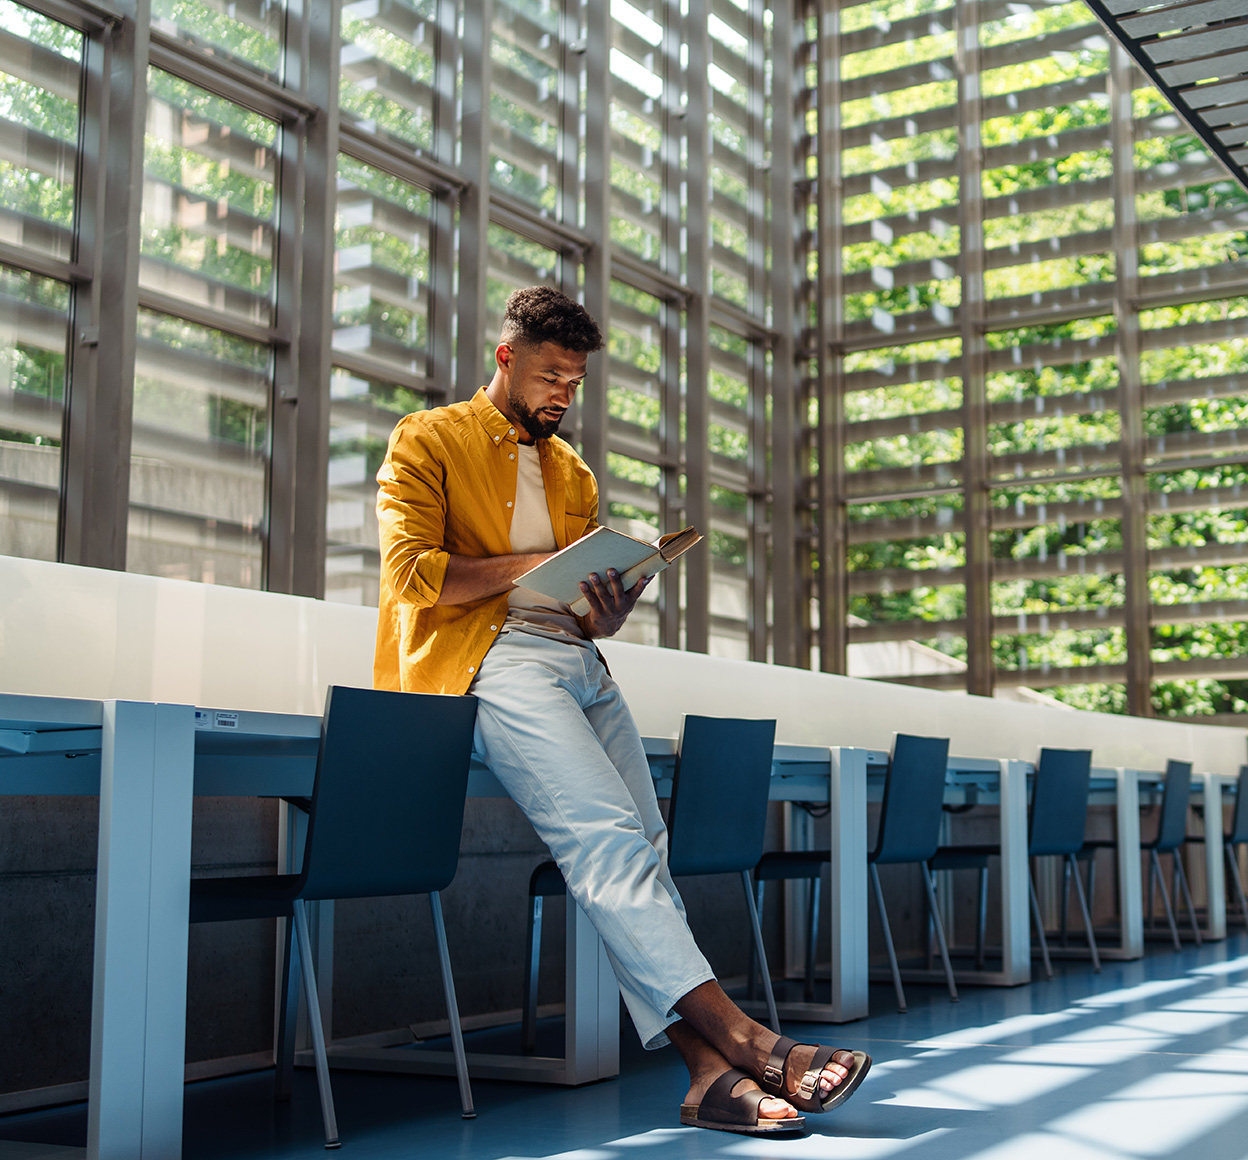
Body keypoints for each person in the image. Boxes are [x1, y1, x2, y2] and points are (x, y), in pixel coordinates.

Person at [374, 285, 869, 1136]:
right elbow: (412, 575)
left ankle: (706, 1076)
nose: (562, 394)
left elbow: (583, 606)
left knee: (644, 851)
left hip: (581, 662)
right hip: (492, 661)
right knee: (604, 846)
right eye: (549, 376)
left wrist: (607, 602)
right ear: (507, 359)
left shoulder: (574, 472)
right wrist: (542, 560)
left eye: (574, 380)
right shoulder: (430, 438)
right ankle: (751, 1042)